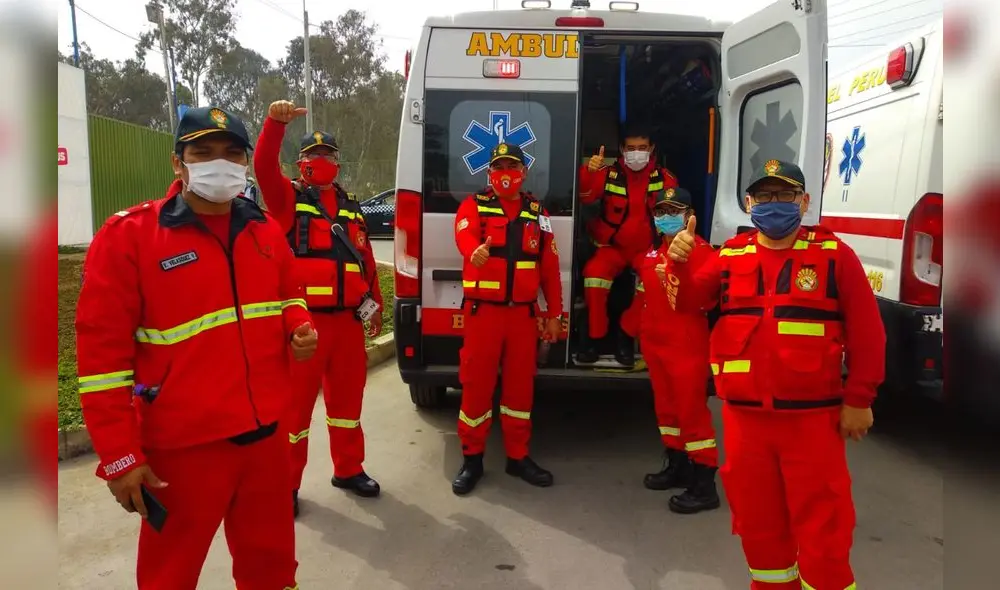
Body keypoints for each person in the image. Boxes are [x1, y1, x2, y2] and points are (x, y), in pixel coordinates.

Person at [75, 106, 317, 590]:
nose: (219, 163)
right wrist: (120, 457)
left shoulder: (264, 230)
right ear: (177, 163)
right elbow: (101, 360)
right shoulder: (130, 238)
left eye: (231, 153)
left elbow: (290, 291)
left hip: (265, 439)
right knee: (169, 574)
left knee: (272, 565)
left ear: (245, 164)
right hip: (183, 453)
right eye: (202, 152)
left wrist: (299, 322)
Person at [667, 159, 885, 589]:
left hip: (813, 423)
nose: (774, 203)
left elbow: (869, 334)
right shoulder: (729, 257)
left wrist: (859, 399)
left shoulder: (834, 257)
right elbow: (689, 300)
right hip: (746, 423)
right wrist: (680, 262)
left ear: (804, 202)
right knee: (760, 530)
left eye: (785, 195)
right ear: (749, 203)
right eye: (764, 196)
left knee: (825, 533)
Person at [254, 100, 384, 514]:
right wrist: (275, 125)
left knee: (348, 404)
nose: (321, 161)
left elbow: (365, 261)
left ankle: (348, 468)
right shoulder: (287, 201)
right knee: (294, 411)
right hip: (304, 324)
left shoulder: (351, 207)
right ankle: (286, 484)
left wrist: (375, 305)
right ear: (301, 163)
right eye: (313, 156)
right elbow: (262, 168)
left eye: (328, 156)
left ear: (337, 164)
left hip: (347, 323)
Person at [451, 142, 564, 496]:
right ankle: (472, 459)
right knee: (477, 387)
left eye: (511, 166)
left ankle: (518, 457)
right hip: (483, 315)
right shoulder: (474, 206)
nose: (505, 173)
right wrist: (475, 253)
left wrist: (553, 314)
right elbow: (463, 234)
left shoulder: (536, 213)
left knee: (520, 390)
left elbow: (550, 269)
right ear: (489, 173)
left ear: (523, 172)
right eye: (498, 167)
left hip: (523, 317)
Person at [618, 187, 720, 514]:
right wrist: (626, 333)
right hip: (655, 345)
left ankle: (704, 483)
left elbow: (706, 299)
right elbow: (641, 299)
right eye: (660, 211)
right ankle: (677, 465)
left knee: (692, 414)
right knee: (667, 411)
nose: (665, 217)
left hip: (686, 346)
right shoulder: (648, 257)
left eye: (673, 210)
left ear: (690, 216)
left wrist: (680, 271)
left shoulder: (704, 254)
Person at [577, 122, 679, 366]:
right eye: (631, 147)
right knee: (594, 277)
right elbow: (584, 196)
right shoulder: (607, 173)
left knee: (654, 284)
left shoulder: (665, 179)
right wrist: (588, 172)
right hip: (612, 249)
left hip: (647, 250)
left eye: (642, 147)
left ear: (652, 148)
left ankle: (626, 335)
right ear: (622, 149)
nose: (637, 152)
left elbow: (674, 219)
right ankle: (594, 339)